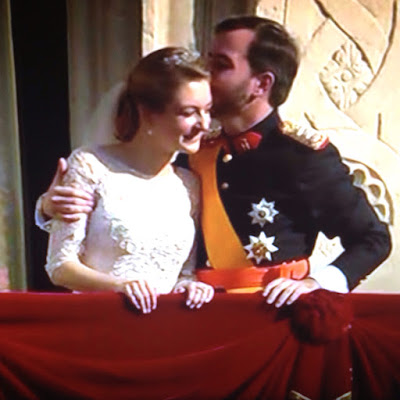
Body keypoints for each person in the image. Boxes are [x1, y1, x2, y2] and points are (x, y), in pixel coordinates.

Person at [38, 16, 391, 308]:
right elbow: (129, 191)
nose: (205, 73)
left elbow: (373, 239)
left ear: (260, 84)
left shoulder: (301, 157)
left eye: (220, 65)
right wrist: (48, 208)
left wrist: (316, 284)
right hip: (198, 317)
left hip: (268, 318)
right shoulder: (194, 148)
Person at [40, 47, 215, 314]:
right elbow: (60, 266)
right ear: (147, 114)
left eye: (207, 110)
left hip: (165, 329)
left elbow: (184, 272)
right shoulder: (90, 165)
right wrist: (119, 286)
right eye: (188, 112)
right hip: (101, 322)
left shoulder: (189, 184)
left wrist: (189, 286)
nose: (204, 124)